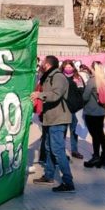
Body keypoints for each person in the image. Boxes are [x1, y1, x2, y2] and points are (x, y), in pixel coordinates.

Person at [30, 55, 76, 193]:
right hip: (50, 118)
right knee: (49, 148)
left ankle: (68, 182)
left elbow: (56, 94)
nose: (41, 64)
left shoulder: (58, 77)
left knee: (58, 150)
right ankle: (49, 176)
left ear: (48, 64)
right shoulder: (48, 76)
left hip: (58, 118)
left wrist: (39, 95)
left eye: (43, 62)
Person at [82, 62, 105, 169]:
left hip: (91, 111)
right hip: (101, 111)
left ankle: (96, 156)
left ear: (93, 69)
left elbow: (85, 97)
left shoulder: (92, 80)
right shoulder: (104, 79)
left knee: (95, 135)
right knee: (101, 133)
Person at [59, 60, 85, 160]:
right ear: (63, 68)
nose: (68, 69)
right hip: (64, 109)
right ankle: (62, 152)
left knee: (74, 131)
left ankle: (74, 150)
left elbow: (83, 91)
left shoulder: (77, 77)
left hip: (75, 109)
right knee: (63, 131)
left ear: (73, 67)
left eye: (70, 67)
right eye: (66, 67)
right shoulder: (60, 77)